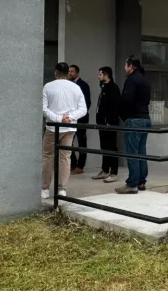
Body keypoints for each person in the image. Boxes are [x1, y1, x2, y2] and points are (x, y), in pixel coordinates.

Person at [42, 62, 87, 199]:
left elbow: (44, 108)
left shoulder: (48, 86)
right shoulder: (76, 87)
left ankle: (44, 189)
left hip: (52, 127)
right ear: (68, 73)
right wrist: (70, 117)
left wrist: (58, 118)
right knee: (65, 157)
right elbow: (83, 109)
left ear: (55, 73)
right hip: (69, 127)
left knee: (48, 156)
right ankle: (62, 189)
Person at [115, 56, 151, 194]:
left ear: (131, 66)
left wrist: (123, 115)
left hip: (134, 120)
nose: (124, 68)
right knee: (141, 151)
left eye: (125, 65)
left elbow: (126, 100)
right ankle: (141, 181)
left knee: (132, 153)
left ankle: (132, 184)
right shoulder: (145, 80)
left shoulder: (131, 80)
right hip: (145, 119)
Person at [92, 66, 122, 183]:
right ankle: (105, 170)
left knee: (112, 147)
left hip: (110, 124)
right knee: (104, 147)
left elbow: (116, 106)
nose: (98, 77)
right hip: (102, 123)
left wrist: (110, 121)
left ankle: (113, 173)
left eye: (100, 74)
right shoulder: (104, 88)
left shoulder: (113, 88)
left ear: (106, 75)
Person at [68, 64, 91, 174]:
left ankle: (80, 166)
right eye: (69, 71)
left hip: (81, 119)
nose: (70, 73)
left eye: (72, 71)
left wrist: (78, 114)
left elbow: (87, 103)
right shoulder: (69, 85)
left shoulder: (83, 85)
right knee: (68, 141)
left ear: (77, 73)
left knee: (81, 142)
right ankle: (73, 163)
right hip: (71, 118)